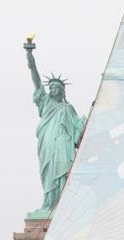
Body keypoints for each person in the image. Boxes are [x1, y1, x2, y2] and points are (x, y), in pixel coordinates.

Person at [25, 43, 86, 217]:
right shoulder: (45, 102)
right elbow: (36, 81)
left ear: (62, 91)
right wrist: (30, 58)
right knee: (48, 172)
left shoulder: (68, 108)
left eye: (57, 87)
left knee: (63, 170)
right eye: (51, 87)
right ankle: (48, 204)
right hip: (47, 142)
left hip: (63, 145)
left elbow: (78, 129)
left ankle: (62, 207)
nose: (53, 89)